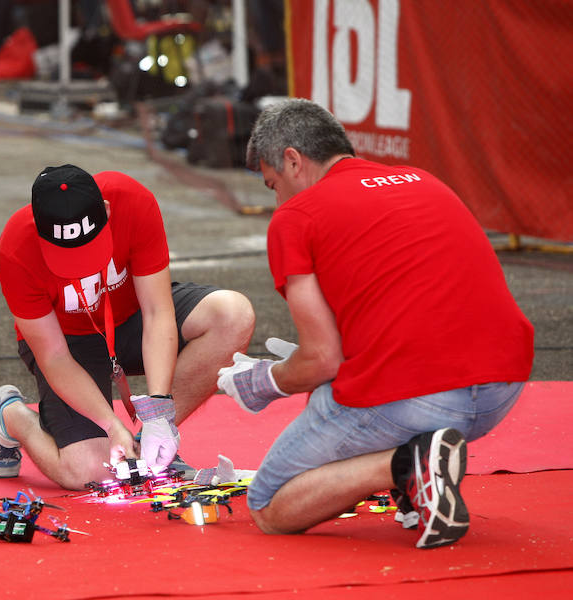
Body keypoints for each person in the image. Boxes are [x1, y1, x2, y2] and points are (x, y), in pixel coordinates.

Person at [217, 99, 533, 549]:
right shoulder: (422, 179)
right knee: (345, 385)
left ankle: (406, 466)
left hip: (423, 397)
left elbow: (322, 359)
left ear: (292, 160)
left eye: (274, 185)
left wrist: (261, 381)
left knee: (268, 506)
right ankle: (415, 487)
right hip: (504, 384)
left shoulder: (296, 217)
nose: (278, 200)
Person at [0, 164, 255, 489]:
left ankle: (147, 446)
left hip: (134, 318)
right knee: (86, 472)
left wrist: (158, 414)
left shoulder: (131, 201)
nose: (82, 267)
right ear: (40, 233)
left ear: (107, 212)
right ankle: (11, 416)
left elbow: (157, 312)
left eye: (90, 250)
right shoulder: (17, 247)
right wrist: (111, 425)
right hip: (68, 342)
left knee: (233, 315)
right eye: (67, 257)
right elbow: (54, 356)